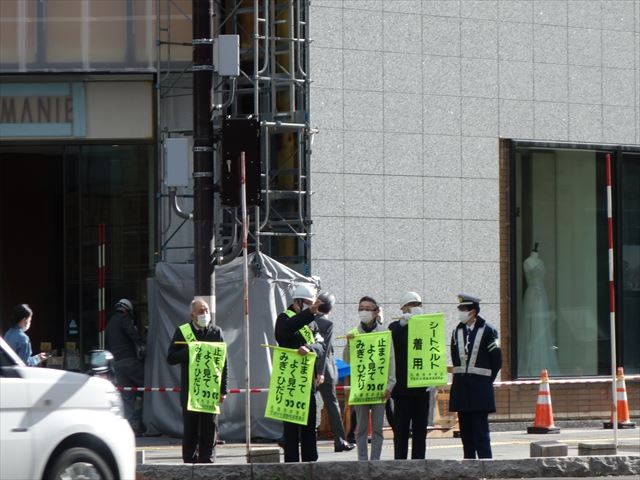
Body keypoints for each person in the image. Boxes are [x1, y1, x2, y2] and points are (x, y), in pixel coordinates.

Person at [167, 297, 228, 463]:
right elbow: (171, 358)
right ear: (192, 315)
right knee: (191, 429)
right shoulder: (183, 331)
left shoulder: (216, 332)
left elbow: (224, 362)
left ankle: (207, 461)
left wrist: (224, 389)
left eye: (207, 310)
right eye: (201, 311)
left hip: (210, 389)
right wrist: (189, 351)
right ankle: (189, 461)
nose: (205, 314)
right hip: (191, 392)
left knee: (209, 428)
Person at [274, 283, 325, 463]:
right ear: (298, 302)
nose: (312, 307)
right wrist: (308, 313)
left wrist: (309, 347)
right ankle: (292, 463)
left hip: (306, 379)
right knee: (291, 427)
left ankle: (311, 461)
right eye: (308, 303)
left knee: (310, 424)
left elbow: (320, 345)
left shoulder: (311, 323)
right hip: (289, 379)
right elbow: (284, 333)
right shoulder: (284, 318)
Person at [449, 293, 502, 459]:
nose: (460, 313)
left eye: (463, 309)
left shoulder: (488, 330)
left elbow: (497, 360)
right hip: (461, 389)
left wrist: (486, 381)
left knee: (481, 434)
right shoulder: (457, 331)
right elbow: (455, 358)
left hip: (480, 390)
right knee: (466, 434)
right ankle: (469, 468)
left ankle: (486, 468)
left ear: (472, 312)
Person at [343, 296, 396, 461]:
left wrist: (390, 385)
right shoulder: (354, 333)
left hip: (379, 387)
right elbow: (346, 359)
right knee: (361, 427)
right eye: (361, 308)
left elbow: (391, 359)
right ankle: (363, 461)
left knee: (378, 428)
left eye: (367, 308)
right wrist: (349, 343)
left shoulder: (385, 333)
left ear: (375, 312)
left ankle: (375, 461)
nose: (364, 311)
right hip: (361, 386)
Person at [388, 291, 430, 459]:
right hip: (402, 389)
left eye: (418, 305)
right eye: (412, 305)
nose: (415, 308)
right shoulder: (395, 328)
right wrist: (405, 325)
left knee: (420, 431)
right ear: (403, 308)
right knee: (401, 430)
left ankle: (419, 464)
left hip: (422, 388)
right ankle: (400, 464)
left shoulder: (427, 326)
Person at [313, 292, 355, 453]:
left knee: (304, 403)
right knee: (332, 405)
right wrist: (321, 372)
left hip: (308, 366)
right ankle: (340, 440)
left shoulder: (308, 321)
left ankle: (287, 436)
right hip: (325, 370)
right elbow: (324, 350)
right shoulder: (327, 324)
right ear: (330, 307)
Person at [105, 298, 145, 434]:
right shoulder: (124, 319)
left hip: (118, 363)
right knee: (148, 388)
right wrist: (142, 342)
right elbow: (132, 333)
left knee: (127, 396)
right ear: (127, 310)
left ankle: (128, 426)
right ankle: (143, 422)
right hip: (130, 360)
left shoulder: (110, 323)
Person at [519, 243, 559, 376]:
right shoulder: (527, 262)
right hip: (533, 294)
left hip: (541, 294)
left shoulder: (540, 261)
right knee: (533, 325)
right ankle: (531, 361)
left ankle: (543, 360)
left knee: (541, 326)